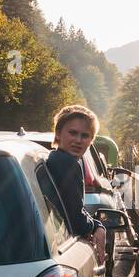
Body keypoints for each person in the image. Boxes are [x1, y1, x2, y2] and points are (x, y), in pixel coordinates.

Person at [45, 105, 107, 266]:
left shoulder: (54, 158)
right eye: (72, 133)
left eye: (85, 135)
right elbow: (77, 221)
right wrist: (97, 227)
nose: (78, 140)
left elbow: (72, 208)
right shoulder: (66, 163)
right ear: (58, 133)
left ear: (91, 140)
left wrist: (95, 224)